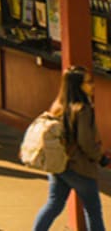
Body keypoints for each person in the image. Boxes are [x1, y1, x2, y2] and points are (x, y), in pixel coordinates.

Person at [32, 66, 107, 230]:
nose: (92, 85)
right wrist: (100, 157)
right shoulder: (83, 109)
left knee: (54, 204)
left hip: (59, 164)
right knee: (93, 210)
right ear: (78, 85)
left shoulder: (58, 106)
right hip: (80, 167)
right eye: (88, 82)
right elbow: (85, 141)